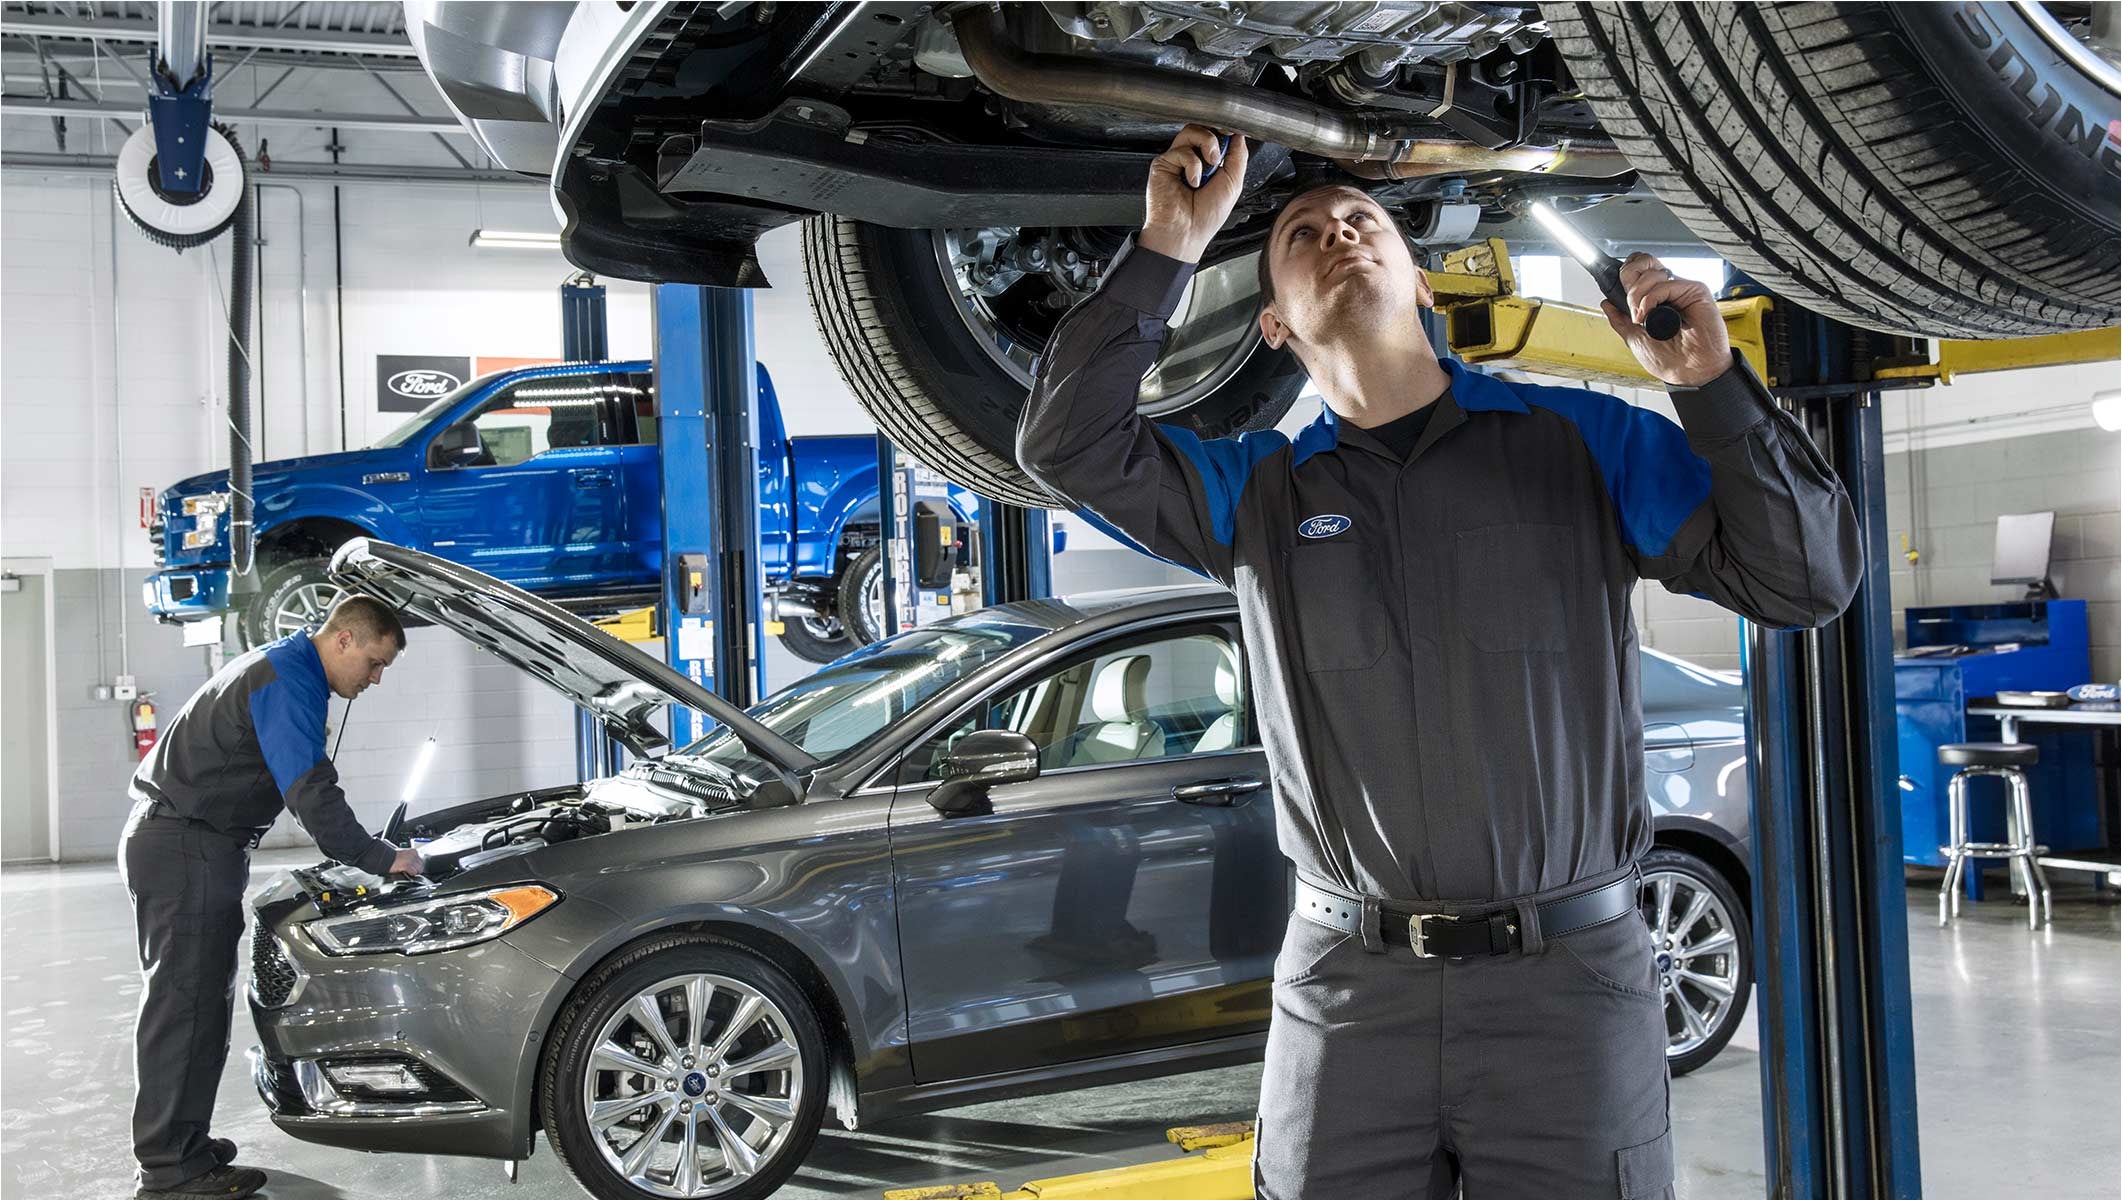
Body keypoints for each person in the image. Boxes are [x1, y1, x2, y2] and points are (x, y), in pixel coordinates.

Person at [1017, 126, 1862, 1199]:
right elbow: (1066, 447)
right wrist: (1168, 245)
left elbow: (1804, 582)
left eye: (1365, 222)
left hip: (1569, 989)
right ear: (1271, 323)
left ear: (1420, 281)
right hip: (1346, 996)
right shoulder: (1258, 495)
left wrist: (1712, 387)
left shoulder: (1583, 445)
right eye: (1301, 235)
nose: (1340, 234)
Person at [123, 595, 425, 1200]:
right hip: (186, 844)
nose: (374, 678)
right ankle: (168, 1169)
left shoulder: (284, 665)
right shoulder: (290, 677)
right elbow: (309, 787)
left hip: (195, 842)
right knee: (184, 1006)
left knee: (200, 1003)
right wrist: (379, 859)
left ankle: (184, 1145)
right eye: (373, 662)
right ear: (342, 639)